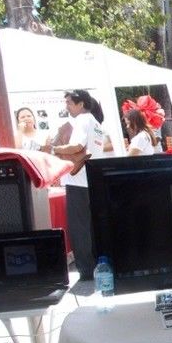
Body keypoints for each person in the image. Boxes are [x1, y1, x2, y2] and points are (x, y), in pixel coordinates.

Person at [53, 90, 104, 280]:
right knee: (91, 226)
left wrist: (54, 148)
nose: (66, 106)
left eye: (69, 102)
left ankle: (86, 269)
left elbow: (76, 146)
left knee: (80, 227)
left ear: (81, 104)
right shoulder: (96, 122)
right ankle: (97, 263)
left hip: (78, 179)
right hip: (90, 179)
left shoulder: (83, 120)